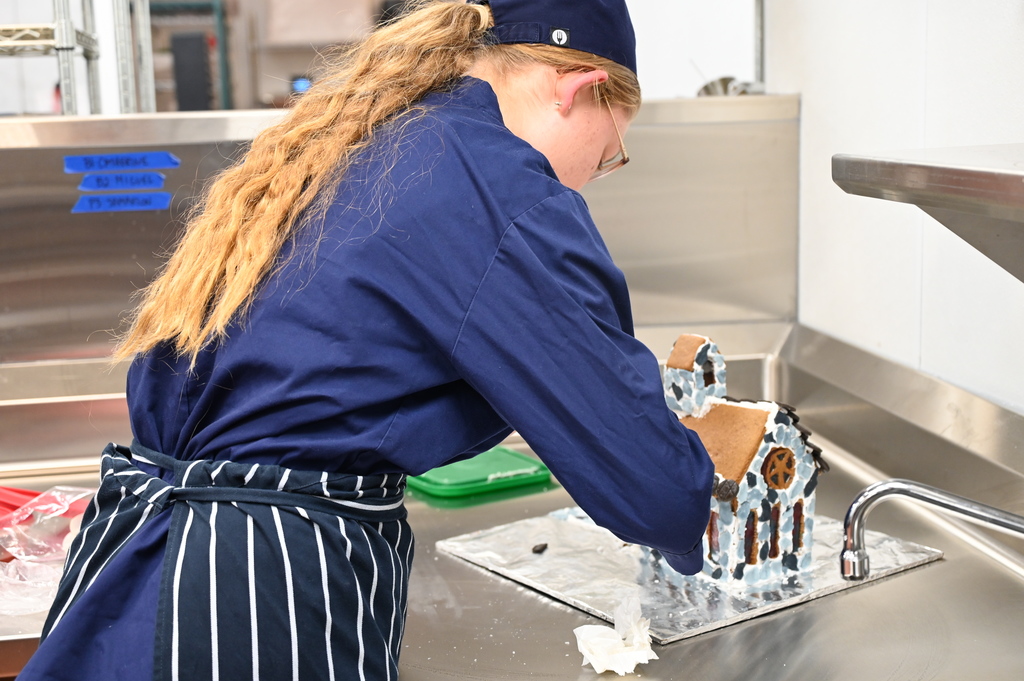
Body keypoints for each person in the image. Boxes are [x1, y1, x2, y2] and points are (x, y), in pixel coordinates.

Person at [19, 1, 714, 679]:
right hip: (257, 594)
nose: (593, 176)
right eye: (608, 151)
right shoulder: (500, 187)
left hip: (139, 562)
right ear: (578, 89)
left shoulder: (370, 136)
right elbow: (657, 491)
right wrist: (696, 512)